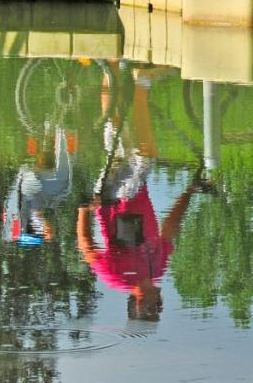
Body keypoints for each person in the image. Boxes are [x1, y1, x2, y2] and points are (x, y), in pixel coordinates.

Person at [77, 62, 202, 321]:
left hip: (114, 196)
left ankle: (141, 84)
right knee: (113, 126)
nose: (159, 305)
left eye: (153, 309)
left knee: (145, 157)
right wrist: (190, 191)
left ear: (138, 304)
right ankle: (108, 67)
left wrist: (83, 210)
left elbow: (87, 248)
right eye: (159, 309)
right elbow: (169, 229)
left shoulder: (116, 277)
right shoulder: (156, 268)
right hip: (134, 188)